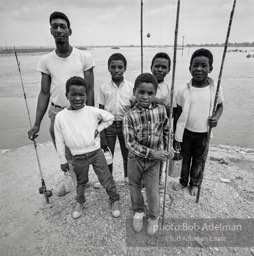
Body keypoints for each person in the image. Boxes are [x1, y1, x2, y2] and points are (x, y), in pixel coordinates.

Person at [27, 11, 95, 196]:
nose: (59, 30)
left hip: (79, 112)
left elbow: (89, 90)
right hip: (57, 113)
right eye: (55, 26)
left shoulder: (84, 57)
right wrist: (36, 123)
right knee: (63, 152)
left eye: (62, 26)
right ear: (51, 31)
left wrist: (91, 116)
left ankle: (83, 181)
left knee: (81, 150)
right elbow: (44, 93)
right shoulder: (46, 60)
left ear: (69, 31)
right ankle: (69, 180)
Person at [54, 76, 121, 219]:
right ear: (67, 95)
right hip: (77, 156)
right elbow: (59, 140)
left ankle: (114, 199)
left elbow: (110, 118)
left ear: (86, 95)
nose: (78, 98)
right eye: (73, 95)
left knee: (106, 179)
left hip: (96, 152)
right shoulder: (60, 116)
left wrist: (99, 128)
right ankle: (80, 201)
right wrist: (63, 160)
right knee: (81, 182)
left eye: (81, 95)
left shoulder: (92, 111)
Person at [123, 73, 173, 236]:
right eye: (141, 92)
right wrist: (154, 154)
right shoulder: (129, 116)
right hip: (135, 160)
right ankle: (138, 211)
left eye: (150, 93)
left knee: (152, 190)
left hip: (153, 163)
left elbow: (166, 131)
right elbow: (130, 144)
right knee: (135, 187)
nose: (145, 96)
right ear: (134, 92)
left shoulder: (161, 110)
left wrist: (169, 147)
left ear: (155, 94)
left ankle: (153, 216)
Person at [173, 48, 224, 196]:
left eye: (203, 66)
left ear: (210, 68)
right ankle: (183, 182)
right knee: (185, 159)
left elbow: (220, 106)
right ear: (190, 68)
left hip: (204, 134)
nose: (199, 69)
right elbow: (177, 113)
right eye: (195, 65)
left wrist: (216, 118)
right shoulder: (183, 89)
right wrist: (176, 136)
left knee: (198, 161)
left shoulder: (215, 88)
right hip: (186, 133)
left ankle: (194, 183)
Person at [96, 53, 134, 188]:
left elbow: (134, 109)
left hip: (125, 124)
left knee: (127, 153)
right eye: (113, 67)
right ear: (108, 68)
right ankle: (108, 179)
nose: (116, 70)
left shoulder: (131, 87)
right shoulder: (103, 88)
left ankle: (128, 177)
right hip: (109, 125)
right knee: (107, 153)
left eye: (120, 67)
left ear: (125, 68)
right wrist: (101, 132)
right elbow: (100, 111)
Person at [150, 52, 176, 189]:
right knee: (146, 155)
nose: (160, 69)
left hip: (161, 129)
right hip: (145, 128)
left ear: (168, 70)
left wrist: (157, 101)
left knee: (160, 156)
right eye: (157, 66)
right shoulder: (145, 84)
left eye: (163, 67)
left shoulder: (169, 89)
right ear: (151, 67)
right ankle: (145, 180)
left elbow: (171, 111)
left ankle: (158, 181)